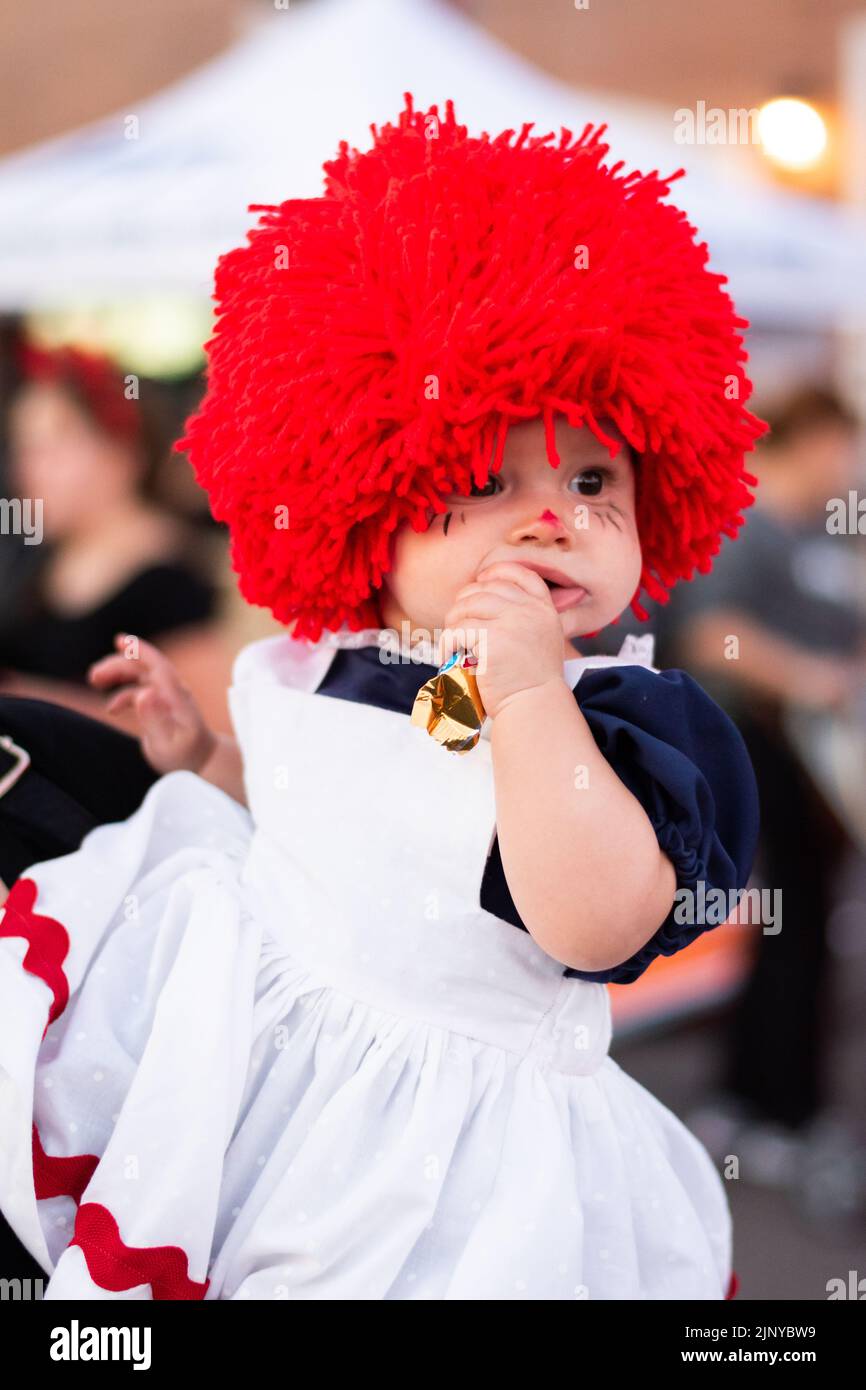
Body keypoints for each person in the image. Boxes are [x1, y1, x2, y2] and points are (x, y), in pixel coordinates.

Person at [0, 95, 765, 1300]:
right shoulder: (341, 661)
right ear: (364, 499)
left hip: (446, 1166)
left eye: (589, 477)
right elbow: (336, 815)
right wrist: (203, 754)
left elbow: (598, 923)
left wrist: (525, 691)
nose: (550, 512)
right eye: (481, 477)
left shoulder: (623, 715)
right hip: (266, 1062)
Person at [647, 386, 866, 1219]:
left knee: (808, 934)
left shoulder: (821, 529)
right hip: (761, 751)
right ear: (807, 439)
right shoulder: (746, 523)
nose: (847, 466)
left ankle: (782, 1101)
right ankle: (765, 1109)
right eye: (839, 446)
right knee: (784, 933)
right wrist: (811, 679)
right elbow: (711, 636)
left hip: (816, 759)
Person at [0, 343, 234, 733]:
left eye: (52, 446)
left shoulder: (173, 578)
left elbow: (208, 734)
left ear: (120, 450)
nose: (29, 469)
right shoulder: (39, 559)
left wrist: (35, 704)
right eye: (25, 449)